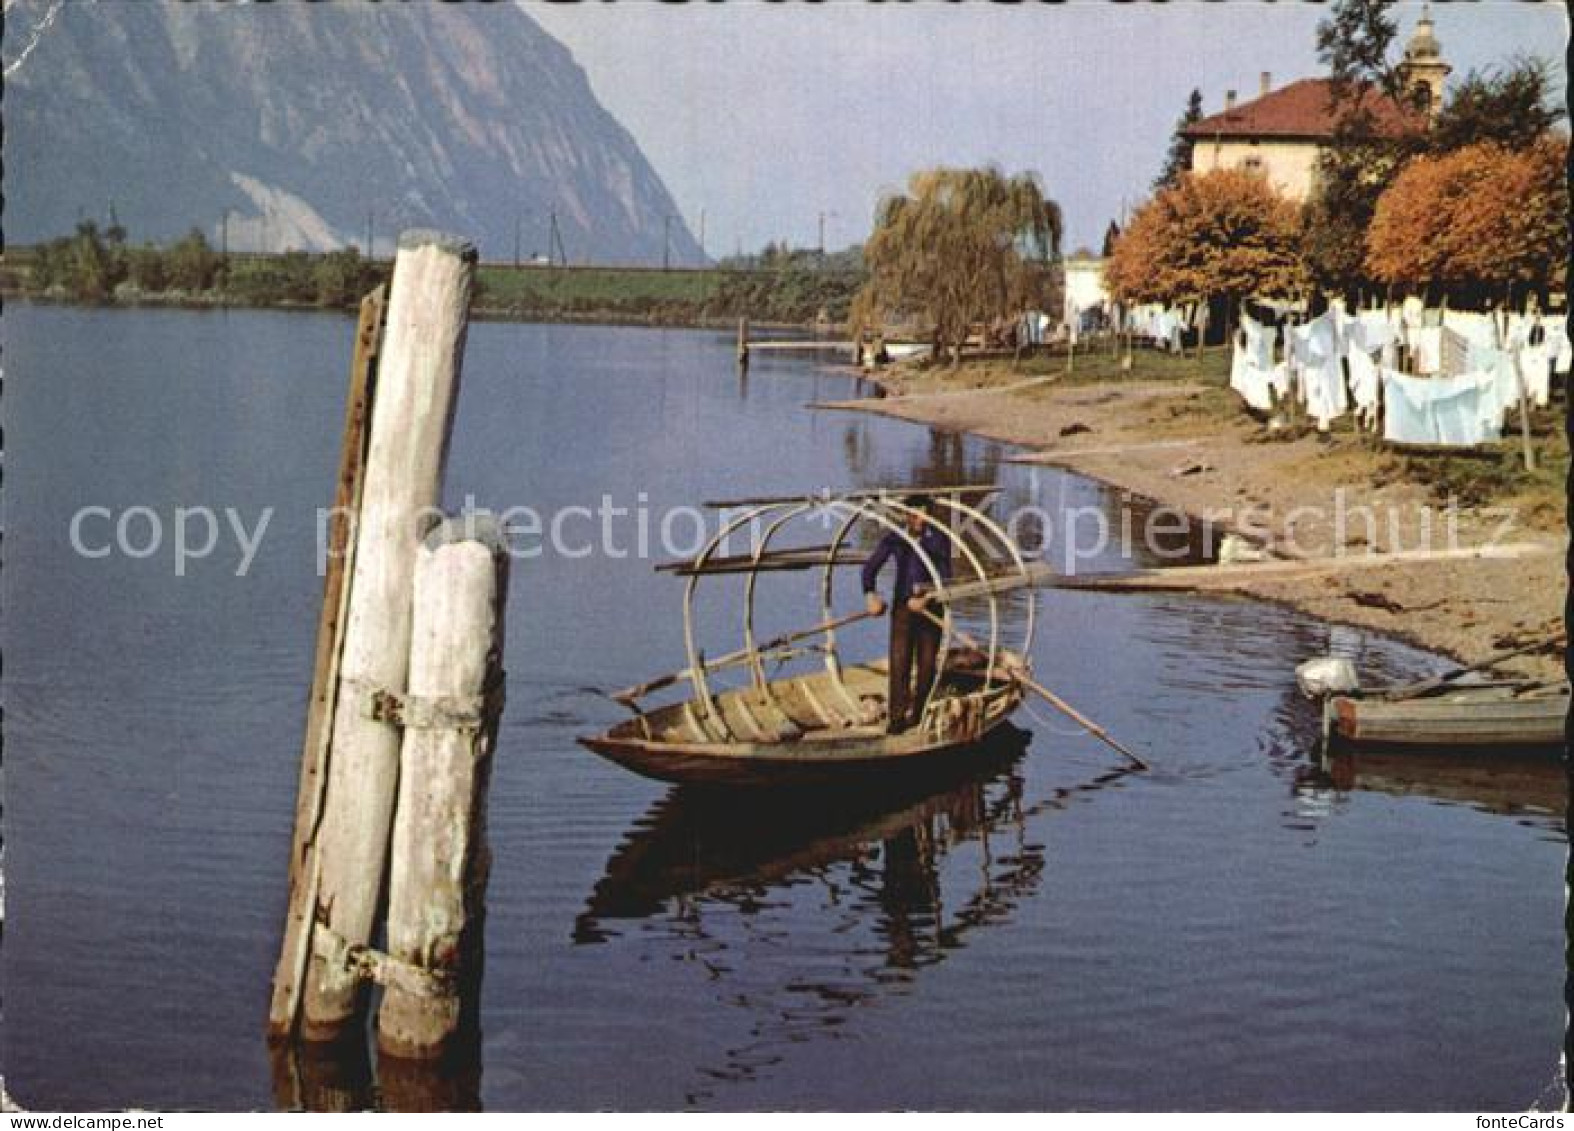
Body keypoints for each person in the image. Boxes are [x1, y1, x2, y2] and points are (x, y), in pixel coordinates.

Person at [861, 496, 952, 734]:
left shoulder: (939, 539)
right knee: (899, 662)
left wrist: (926, 598)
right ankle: (897, 718)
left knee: (927, 665)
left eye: (923, 515)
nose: (918, 520)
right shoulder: (895, 538)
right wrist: (871, 595)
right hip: (903, 609)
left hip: (930, 609)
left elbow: (945, 577)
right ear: (906, 516)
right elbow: (870, 567)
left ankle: (919, 714)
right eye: (913, 515)